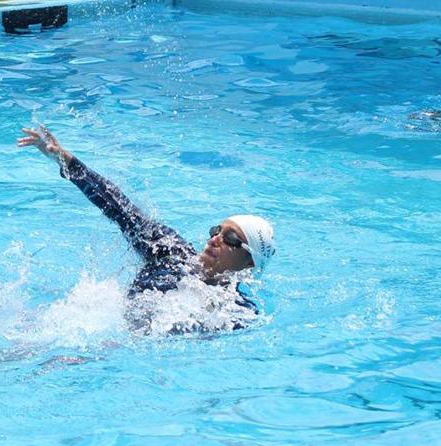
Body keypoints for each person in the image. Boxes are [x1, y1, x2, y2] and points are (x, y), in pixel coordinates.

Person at [18, 125, 275, 333]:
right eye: (216, 230)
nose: (216, 238)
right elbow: (119, 207)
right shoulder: (170, 250)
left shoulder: (237, 312)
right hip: (84, 323)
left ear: (249, 262)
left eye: (230, 237)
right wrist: (66, 161)